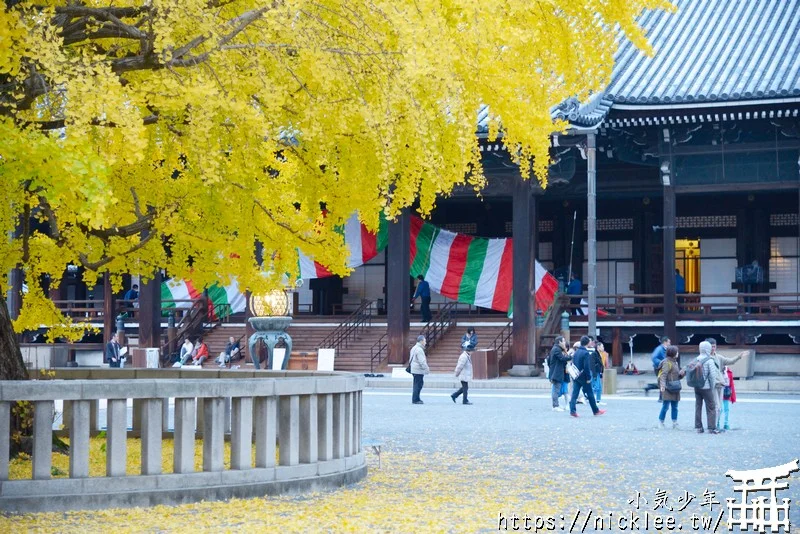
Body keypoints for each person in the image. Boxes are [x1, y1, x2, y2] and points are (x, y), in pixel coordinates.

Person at [705, 338, 744, 432]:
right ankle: (714, 426)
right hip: (712, 385)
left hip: (721, 384)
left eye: (714, 346)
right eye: (711, 346)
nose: (713, 348)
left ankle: (716, 425)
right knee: (716, 406)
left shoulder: (719, 357)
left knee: (720, 407)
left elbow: (730, 361)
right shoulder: (705, 358)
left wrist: (739, 356)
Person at [569, 336, 605, 417]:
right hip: (584, 376)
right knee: (590, 393)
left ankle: (572, 410)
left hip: (576, 375)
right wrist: (589, 377)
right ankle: (595, 410)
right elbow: (586, 367)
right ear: (588, 343)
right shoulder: (585, 353)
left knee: (575, 393)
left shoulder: (576, 352)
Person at [693, 341, 723, 434]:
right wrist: (712, 386)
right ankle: (711, 427)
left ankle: (699, 427)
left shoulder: (696, 359)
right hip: (707, 388)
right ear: (708, 349)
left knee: (698, 406)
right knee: (711, 407)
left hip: (697, 387)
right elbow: (712, 376)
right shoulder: (709, 360)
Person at [657, 346, 685, 429]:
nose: (678, 353)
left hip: (675, 387)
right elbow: (663, 375)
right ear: (672, 353)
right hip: (667, 387)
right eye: (676, 352)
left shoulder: (675, 362)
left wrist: (682, 374)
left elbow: (676, 376)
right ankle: (661, 422)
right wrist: (662, 386)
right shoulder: (666, 362)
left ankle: (675, 422)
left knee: (675, 406)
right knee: (665, 406)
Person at [547, 336, 571, 412]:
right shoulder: (556, 349)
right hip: (556, 373)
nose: (564, 343)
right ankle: (555, 406)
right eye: (563, 341)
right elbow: (562, 358)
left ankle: (556, 404)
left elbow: (549, 361)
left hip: (555, 372)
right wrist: (570, 357)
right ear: (559, 342)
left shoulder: (555, 349)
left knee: (557, 389)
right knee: (556, 390)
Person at [409, 335, 429, 404]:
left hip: (414, 368)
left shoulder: (414, 348)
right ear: (421, 341)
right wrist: (426, 369)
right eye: (425, 341)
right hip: (418, 370)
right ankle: (416, 399)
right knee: (418, 385)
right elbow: (422, 361)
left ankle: (416, 398)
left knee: (416, 384)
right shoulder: (419, 349)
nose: (425, 343)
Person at [719, 366, 736, 431]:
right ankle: (717, 423)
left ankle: (726, 424)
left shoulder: (729, 373)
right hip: (719, 392)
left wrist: (732, 396)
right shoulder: (718, 371)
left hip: (726, 393)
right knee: (719, 409)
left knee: (726, 409)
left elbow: (731, 385)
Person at [592, 341, 608, 405]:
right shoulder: (594, 354)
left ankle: (598, 400)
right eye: (602, 346)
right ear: (598, 347)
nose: (603, 347)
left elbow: (602, 364)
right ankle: (593, 400)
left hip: (599, 372)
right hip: (595, 372)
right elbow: (592, 365)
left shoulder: (601, 354)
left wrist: (601, 372)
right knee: (596, 387)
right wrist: (594, 374)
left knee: (599, 387)